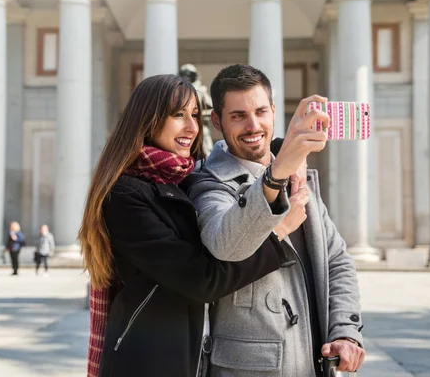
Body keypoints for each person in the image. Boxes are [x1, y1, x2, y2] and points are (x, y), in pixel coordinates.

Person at [79, 74, 291, 377]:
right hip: (147, 362)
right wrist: (276, 234)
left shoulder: (184, 181)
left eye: (195, 115)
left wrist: (286, 152)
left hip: (190, 357)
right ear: (148, 119)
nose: (192, 128)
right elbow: (202, 280)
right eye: (178, 115)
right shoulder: (125, 195)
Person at [187, 64, 365, 376]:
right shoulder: (206, 181)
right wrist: (276, 173)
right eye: (238, 115)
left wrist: (345, 331)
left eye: (260, 111)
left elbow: (336, 260)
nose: (253, 125)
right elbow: (225, 245)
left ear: (273, 110)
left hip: (313, 363)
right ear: (216, 121)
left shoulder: (300, 175)